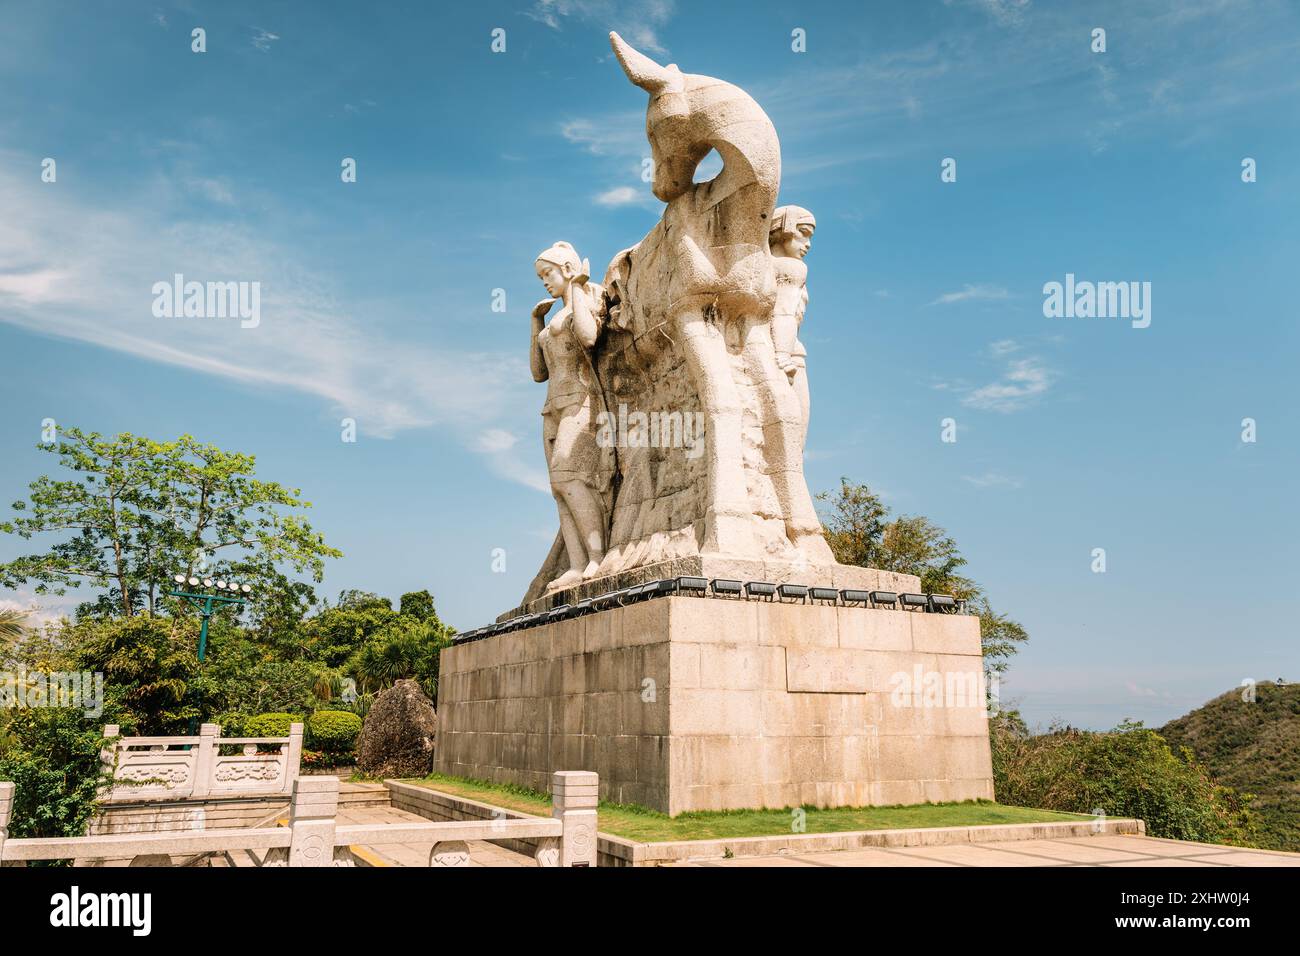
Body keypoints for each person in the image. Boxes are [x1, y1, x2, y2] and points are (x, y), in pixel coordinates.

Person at [530, 241, 607, 589]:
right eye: (541, 276)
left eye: (548, 273)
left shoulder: (585, 296)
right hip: (552, 408)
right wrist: (536, 322)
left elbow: (589, 338)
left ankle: (597, 556)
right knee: (558, 488)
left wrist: (576, 286)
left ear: (566, 268)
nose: (545, 281)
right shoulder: (549, 323)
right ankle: (576, 564)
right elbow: (538, 373)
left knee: (568, 477)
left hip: (581, 400)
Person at [768, 205, 816, 449]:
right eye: (803, 233)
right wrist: (783, 354)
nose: (807, 243)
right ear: (784, 229)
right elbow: (784, 312)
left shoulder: (765, 265)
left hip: (779, 348)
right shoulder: (792, 268)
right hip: (787, 353)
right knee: (795, 436)